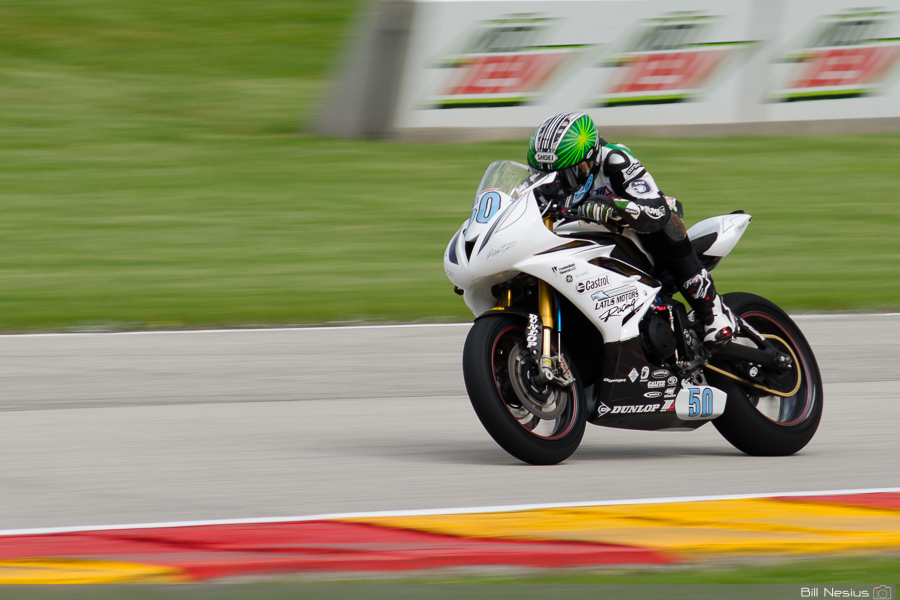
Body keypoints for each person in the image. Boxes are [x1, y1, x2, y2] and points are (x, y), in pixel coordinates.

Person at [527, 111, 737, 348]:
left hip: (637, 228)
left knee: (667, 223)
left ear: (589, 161)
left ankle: (712, 312)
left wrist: (615, 207)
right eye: (544, 175)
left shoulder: (616, 161)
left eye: (564, 176)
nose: (554, 184)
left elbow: (656, 208)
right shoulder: (543, 181)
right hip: (580, 243)